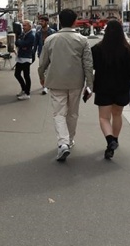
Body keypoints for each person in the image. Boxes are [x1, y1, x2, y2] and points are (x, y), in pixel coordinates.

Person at [38, 9, 94, 162]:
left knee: (59, 113)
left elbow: (42, 62)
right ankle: (69, 140)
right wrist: (90, 85)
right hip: (76, 82)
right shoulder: (83, 40)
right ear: (75, 21)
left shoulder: (50, 39)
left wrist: (41, 76)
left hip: (55, 81)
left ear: (60, 21)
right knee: (73, 112)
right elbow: (88, 65)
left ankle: (63, 143)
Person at [90, 19, 130, 160]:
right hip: (122, 88)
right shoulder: (128, 51)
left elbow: (91, 66)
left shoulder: (97, 49)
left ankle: (110, 141)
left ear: (106, 32)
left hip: (103, 87)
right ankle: (115, 140)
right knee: (117, 115)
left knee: (103, 117)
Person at [14, 20, 36, 100]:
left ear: (30, 26)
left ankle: (27, 93)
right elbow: (17, 42)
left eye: (25, 26)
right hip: (21, 56)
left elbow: (23, 44)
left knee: (26, 75)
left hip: (26, 57)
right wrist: (20, 43)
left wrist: (21, 43)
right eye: (23, 26)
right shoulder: (24, 33)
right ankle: (23, 89)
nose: (23, 27)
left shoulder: (31, 35)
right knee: (17, 74)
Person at [35, 16, 56, 95]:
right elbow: (35, 44)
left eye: (42, 21)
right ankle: (44, 83)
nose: (40, 23)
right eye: (40, 21)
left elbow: (56, 43)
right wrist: (33, 54)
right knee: (41, 69)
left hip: (51, 53)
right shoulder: (38, 33)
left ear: (47, 22)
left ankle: (45, 86)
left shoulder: (53, 32)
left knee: (49, 70)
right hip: (41, 53)